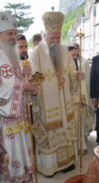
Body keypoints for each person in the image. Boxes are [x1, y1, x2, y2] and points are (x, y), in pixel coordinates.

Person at [30, 10, 84, 176]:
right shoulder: (36, 53)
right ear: (45, 34)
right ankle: (50, 167)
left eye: (58, 37)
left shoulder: (63, 49)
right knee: (51, 132)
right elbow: (34, 78)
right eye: (52, 37)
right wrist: (39, 82)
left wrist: (76, 75)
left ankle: (66, 162)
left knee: (66, 127)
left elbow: (70, 70)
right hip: (48, 104)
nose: (55, 41)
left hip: (64, 101)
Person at [0, 12, 40, 183]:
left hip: (21, 120)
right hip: (5, 123)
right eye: (9, 34)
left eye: (14, 34)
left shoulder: (14, 55)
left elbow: (21, 85)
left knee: (23, 156)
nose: (13, 38)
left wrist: (28, 81)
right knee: (11, 160)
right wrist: (22, 86)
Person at [68, 45, 94, 153]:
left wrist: (84, 97)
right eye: (72, 55)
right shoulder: (65, 67)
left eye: (76, 55)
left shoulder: (79, 64)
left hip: (79, 100)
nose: (74, 57)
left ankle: (80, 145)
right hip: (69, 102)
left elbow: (84, 83)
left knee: (80, 124)